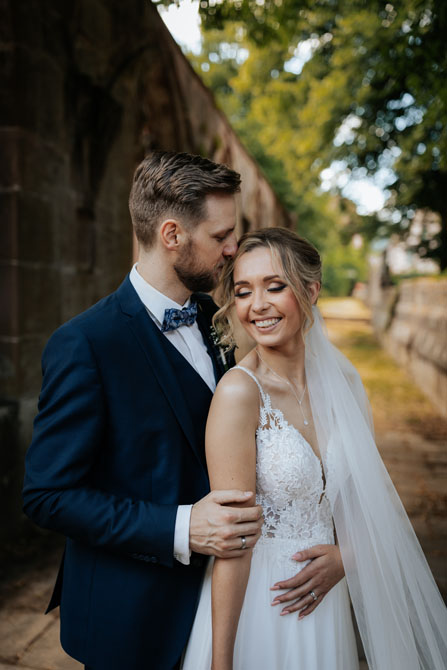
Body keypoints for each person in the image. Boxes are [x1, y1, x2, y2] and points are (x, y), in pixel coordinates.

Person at [22, 151, 264, 670]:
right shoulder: (85, 344)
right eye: (221, 235)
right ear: (172, 235)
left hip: (226, 607)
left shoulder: (217, 318)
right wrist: (181, 528)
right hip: (131, 617)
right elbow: (47, 495)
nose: (233, 248)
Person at [182, 228, 447, 670]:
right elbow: (234, 540)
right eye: (243, 291)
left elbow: (367, 502)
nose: (257, 305)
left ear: (311, 290)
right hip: (261, 607)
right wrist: (221, 661)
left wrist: (348, 557)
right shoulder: (238, 394)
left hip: (325, 606)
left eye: (275, 286)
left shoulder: (344, 383)